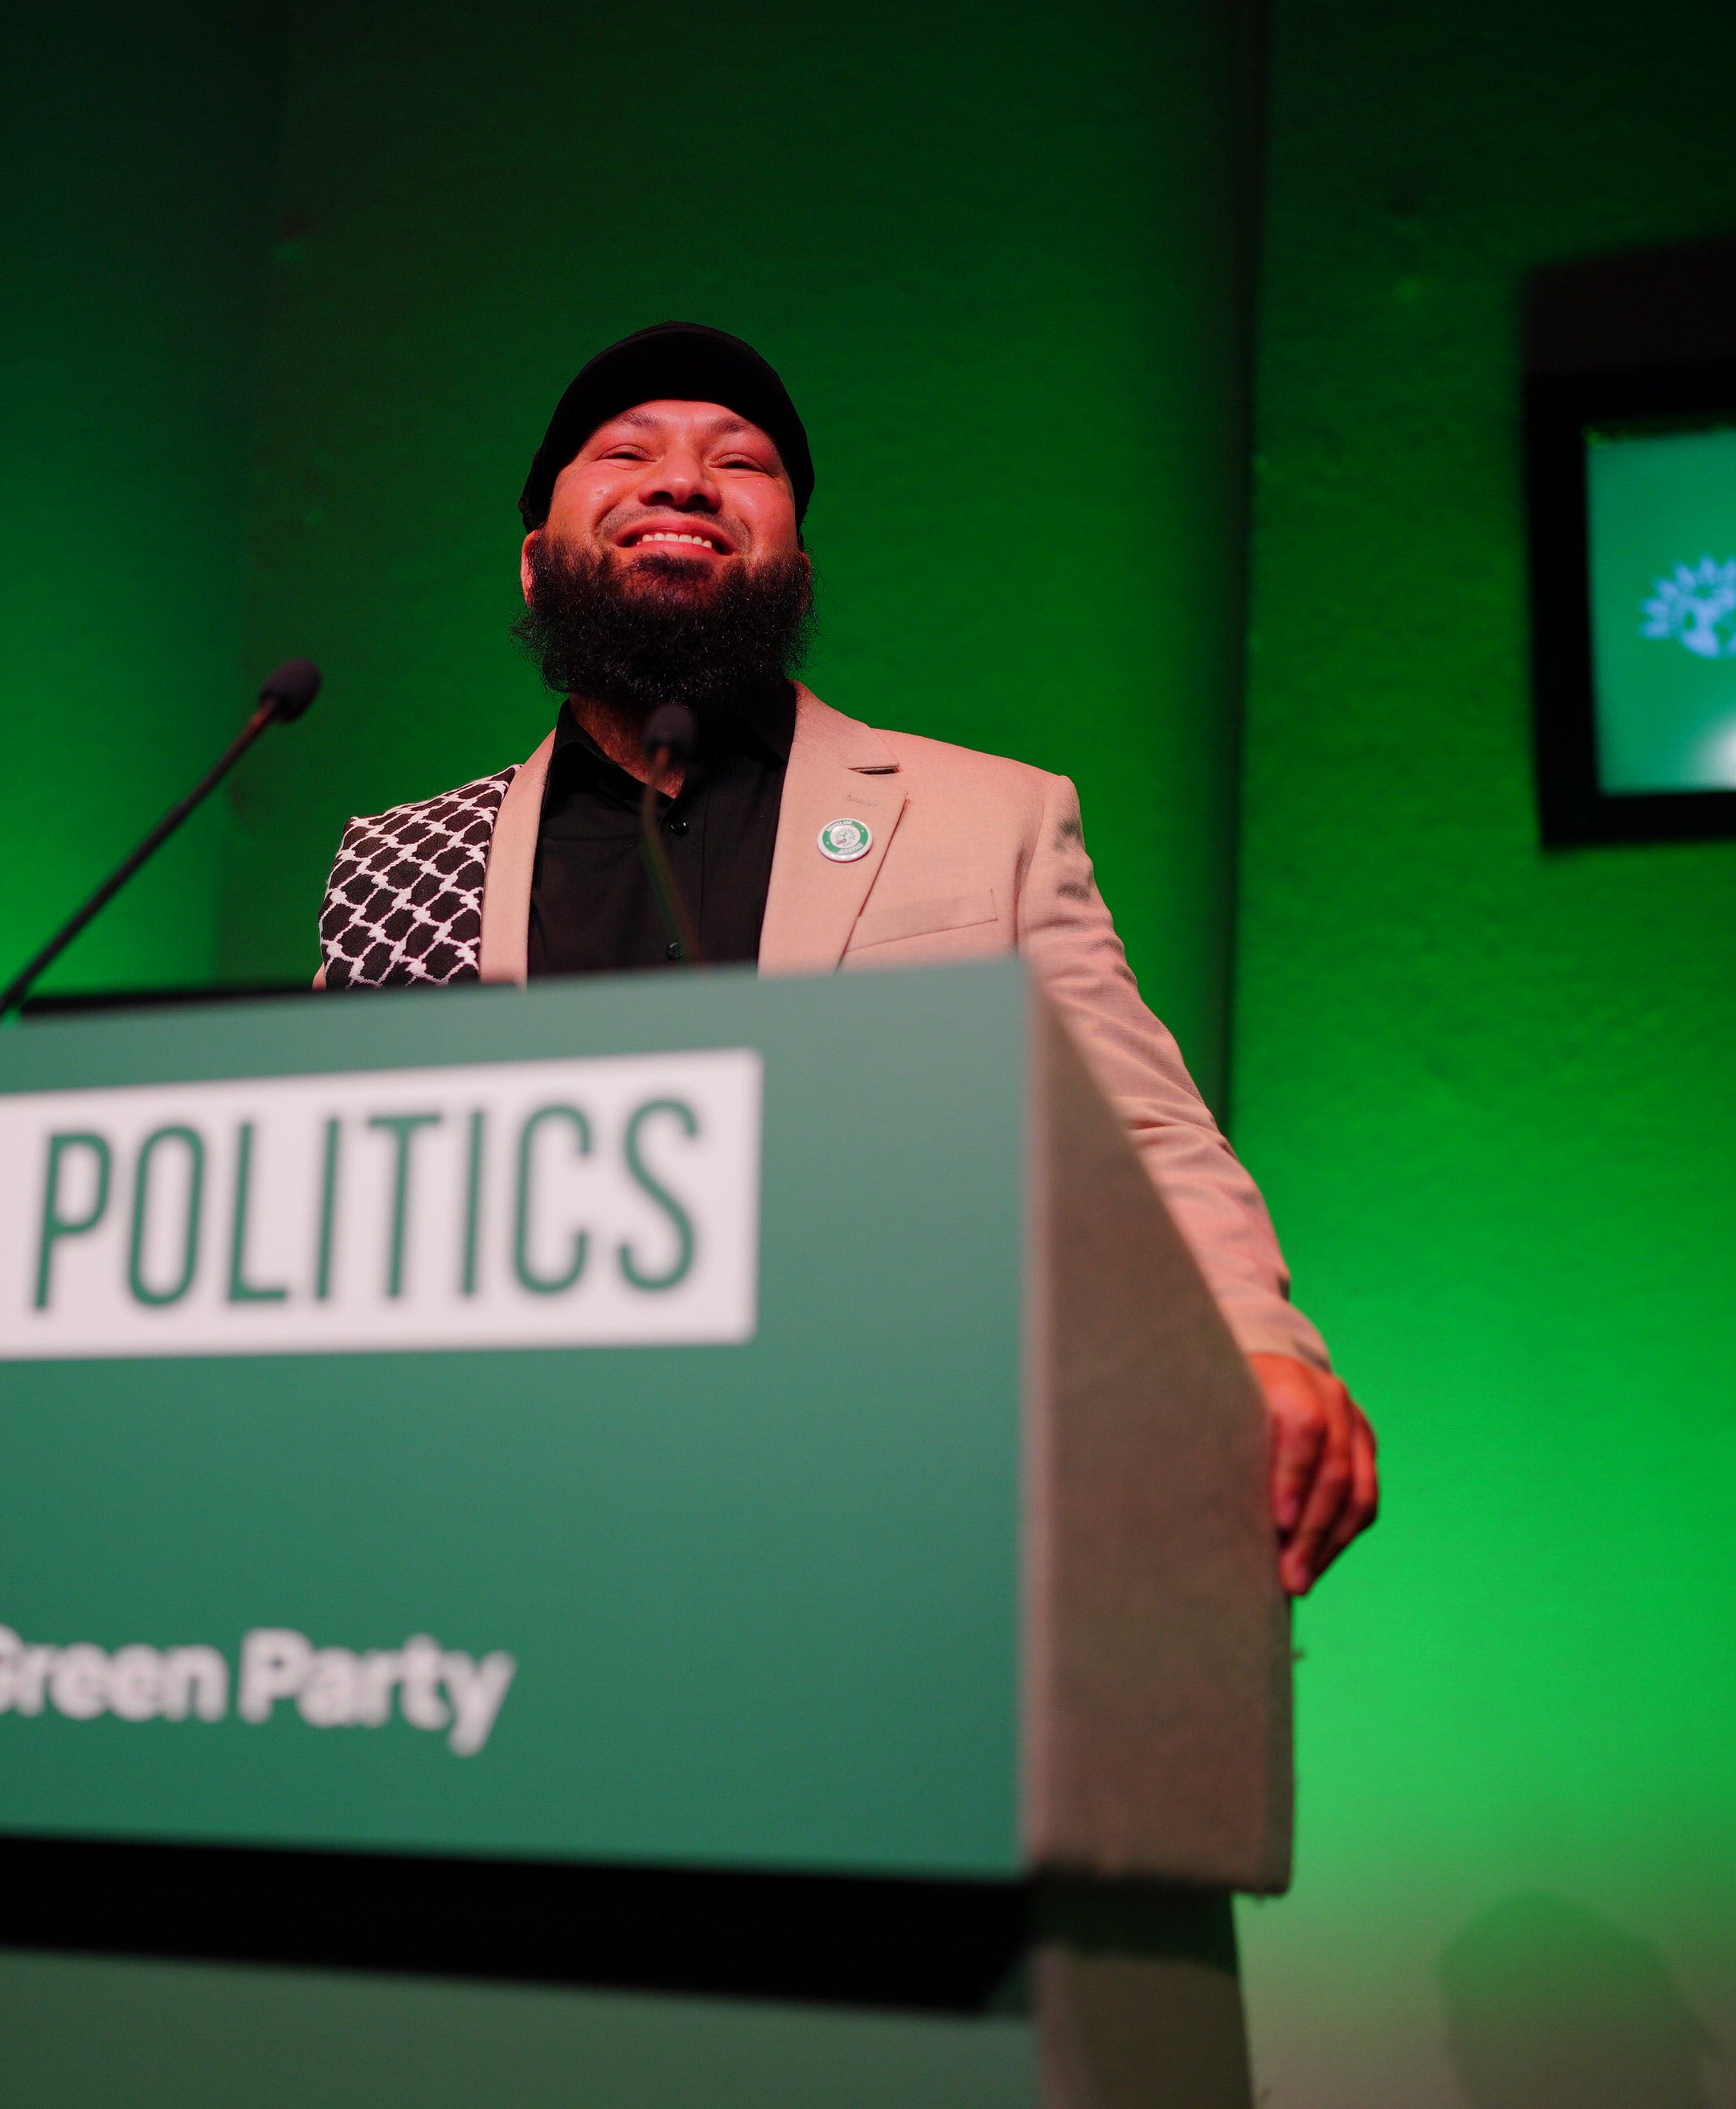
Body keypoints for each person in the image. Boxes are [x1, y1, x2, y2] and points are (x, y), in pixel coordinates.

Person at [316, 322, 1375, 1594]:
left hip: (877, 1532)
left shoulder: (991, 820)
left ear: (794, 567)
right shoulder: (402, 865)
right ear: (536, 565)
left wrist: (1254, 1345)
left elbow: (1139, 1139)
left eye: (742, 461)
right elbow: (341, 1206)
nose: (684, 481)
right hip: (492, 1533)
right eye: (624, 451)